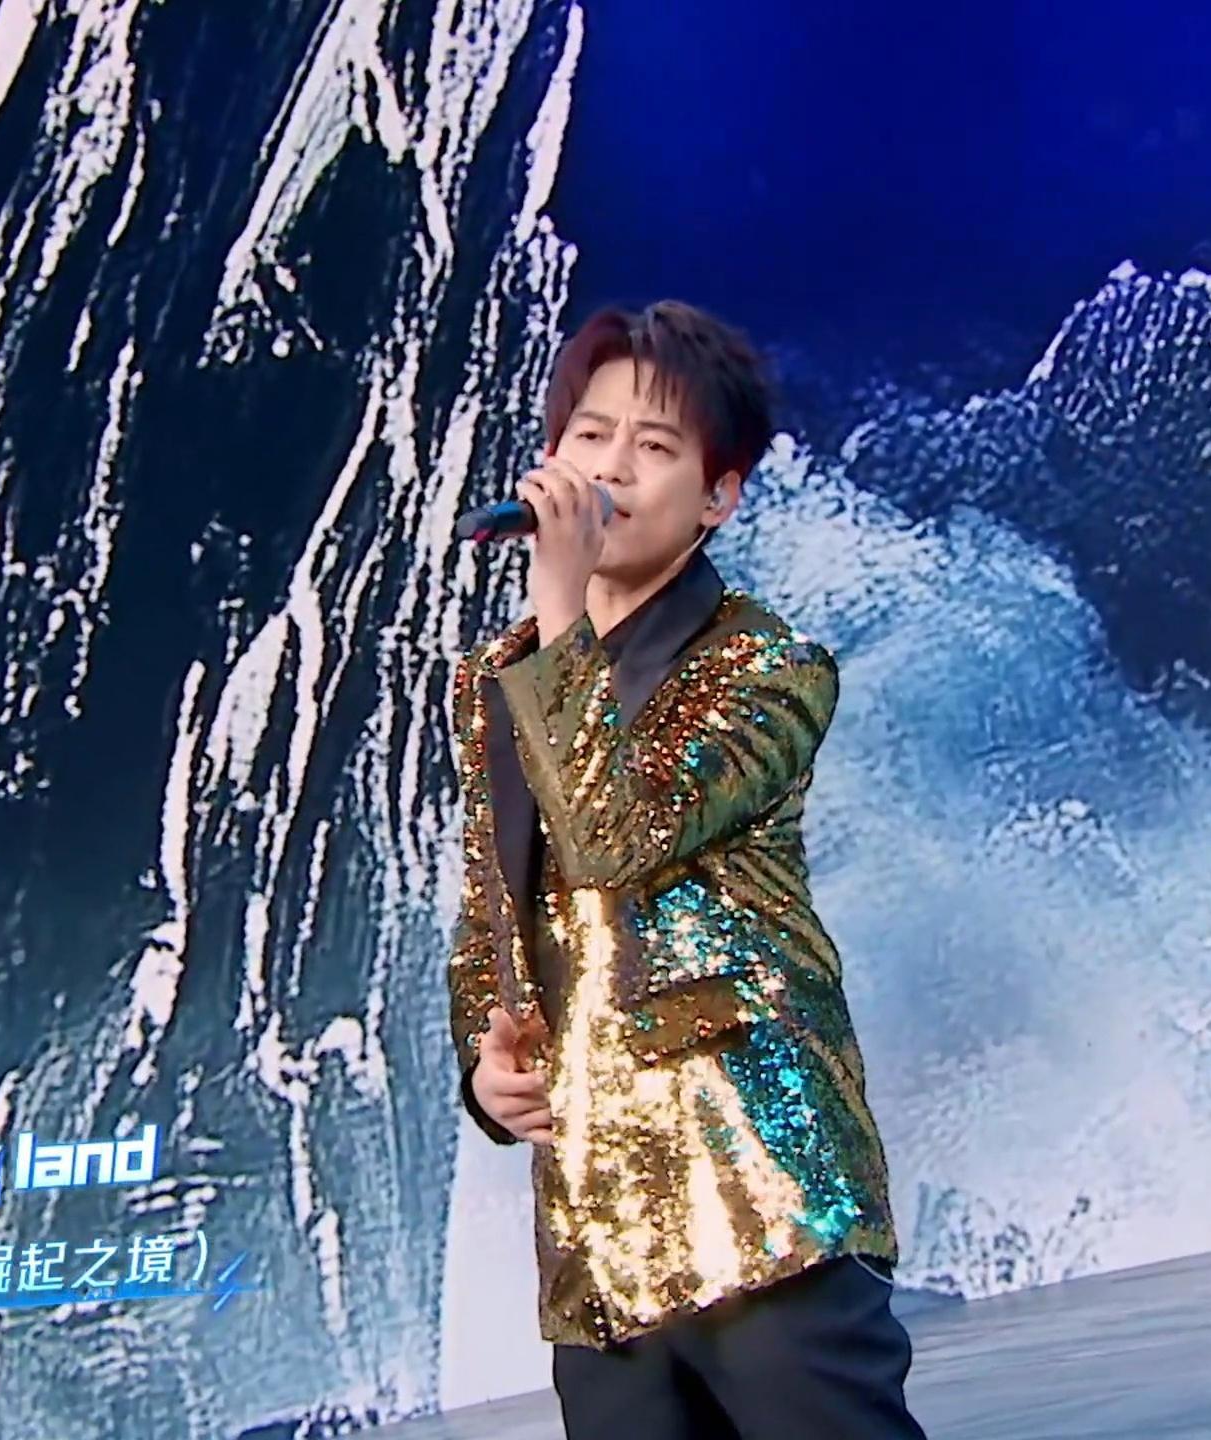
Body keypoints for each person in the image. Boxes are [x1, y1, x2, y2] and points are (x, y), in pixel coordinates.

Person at [445, 301, 926, 1439]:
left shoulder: (768, 670)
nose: (611, 467)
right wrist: (485, 1067)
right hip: (596, 1236)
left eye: (654, 446)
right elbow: (491, 909)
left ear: (718, 497)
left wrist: (559, 608)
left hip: (760, 1204)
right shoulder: (495, 678)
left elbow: (613, 837)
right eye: (590, 435)